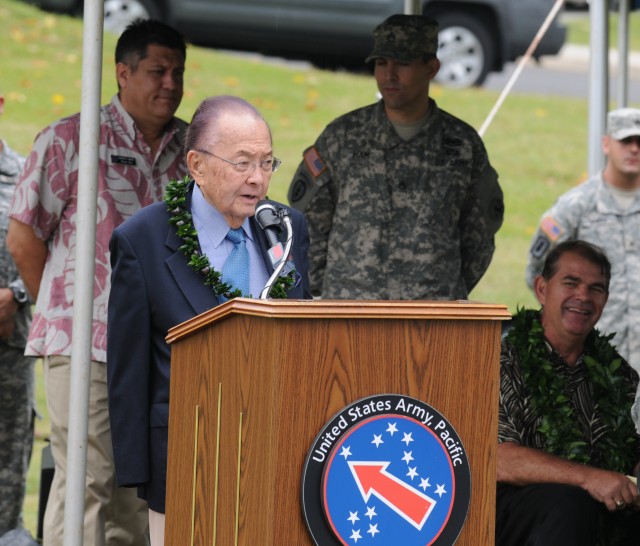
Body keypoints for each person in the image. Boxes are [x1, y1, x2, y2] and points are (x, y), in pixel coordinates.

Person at [6, 19, 189, 546]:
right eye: (158, 71)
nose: (171, 83)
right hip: (85, 344)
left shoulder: (191, 152)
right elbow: (23, 238)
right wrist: (63, 307)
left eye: (178, 72)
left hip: (159, 349)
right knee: (89, 478)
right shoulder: (71, 139)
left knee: (140, 482)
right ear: (122, 73)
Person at [106, 95, 311, 545]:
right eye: (242, 163)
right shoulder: (143, 239)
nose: (258, 178)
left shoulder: (287, 227)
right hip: (185, 461)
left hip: (280, 457)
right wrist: (140, 475)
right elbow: (128, 368)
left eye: (266, 162)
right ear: (196, 165)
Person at [287, 13, 503, 300]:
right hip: (351, 314)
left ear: (432, 68)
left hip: (430, 320)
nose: (389, 75)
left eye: (402, 63)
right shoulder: (342, 137)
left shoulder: (462, 145)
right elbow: (308, 222)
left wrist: (442, 291)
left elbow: (479, 237)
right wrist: (328, 292)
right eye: (381, 63)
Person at [498, 240, 640, 546]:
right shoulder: (501, 361)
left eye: (596, 288)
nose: (583, 297)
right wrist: (589, 478)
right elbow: (497, 460)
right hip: (515, 516)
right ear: (542, 288)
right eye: (571, 283)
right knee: (569, 502)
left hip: (598, 517)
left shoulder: (618, 375)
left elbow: (634, 452)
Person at [526, 108, 640, 372]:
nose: (634, 149)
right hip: (594, 362)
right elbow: (538, 270)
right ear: (606, 144)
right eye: (626, 141)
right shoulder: (574, 208)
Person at [0, 92, 37, 544]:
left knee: (9, 469)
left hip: (10, 353)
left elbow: (56, 248)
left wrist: (16, 295)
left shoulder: (27, 176)